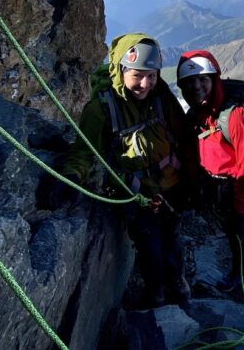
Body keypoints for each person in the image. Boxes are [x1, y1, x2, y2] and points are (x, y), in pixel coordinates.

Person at [54, 33, 192, 308]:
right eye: (138, 76)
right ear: (121, 70)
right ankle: (156, 292)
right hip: (135, 193)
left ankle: (176, 283)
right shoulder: (101, 109)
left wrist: (193, 180)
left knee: (171, 236)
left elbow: (183, 134)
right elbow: (85, 151)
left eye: (151, 76)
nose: (145, 84)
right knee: (149, 244)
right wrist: (71, 177)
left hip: (171, 187)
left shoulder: (161, 96)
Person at [177, 50, 244, 306]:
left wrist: (239, 209)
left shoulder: (234, 115)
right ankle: (240, 273)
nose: (196, 86)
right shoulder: (197, 115)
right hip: (222, 194)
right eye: (189, 82)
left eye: (203, 79)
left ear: (214, 79)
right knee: (233, 235)